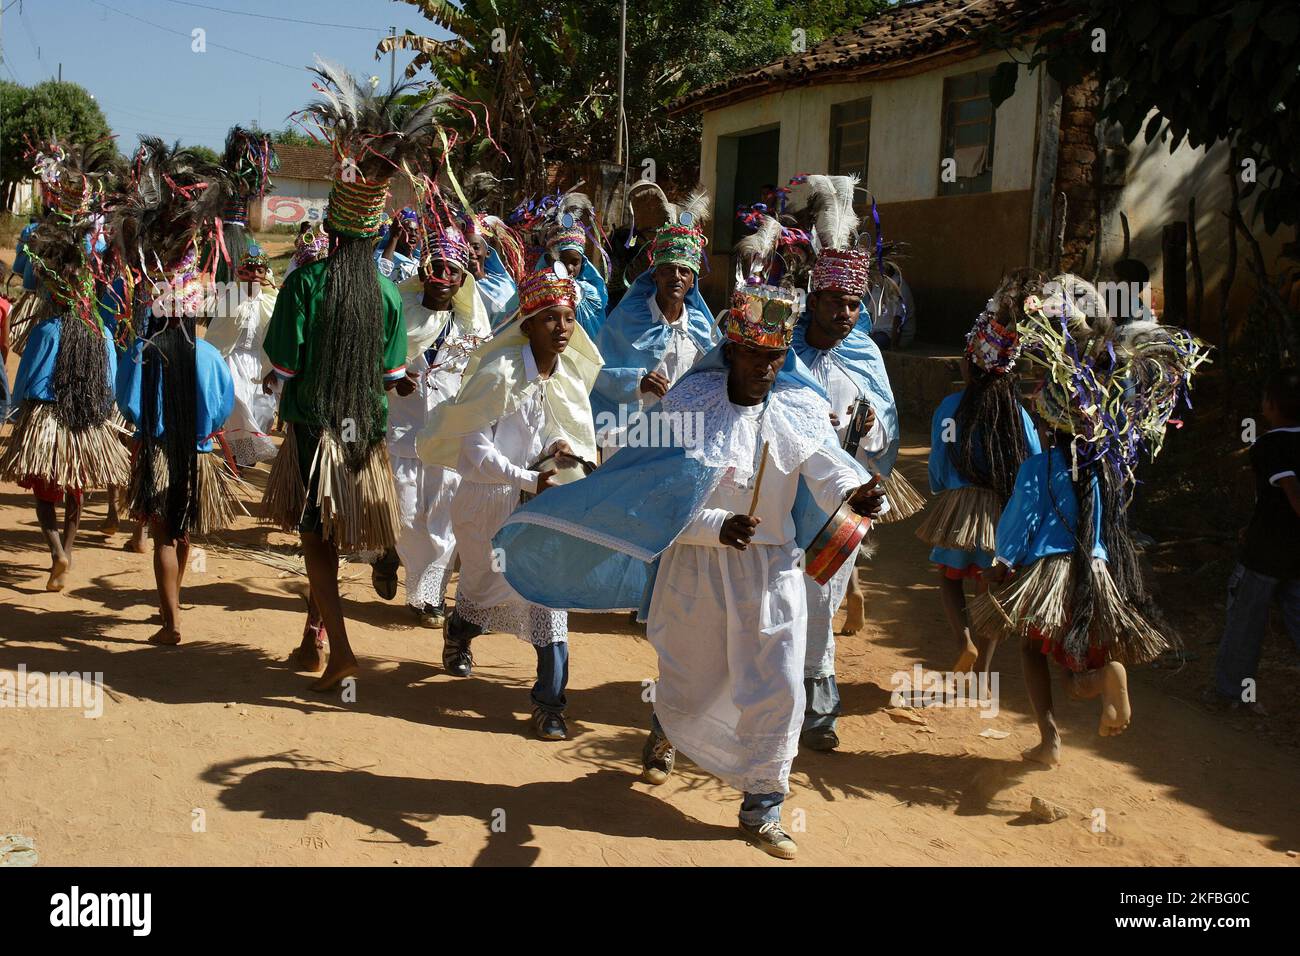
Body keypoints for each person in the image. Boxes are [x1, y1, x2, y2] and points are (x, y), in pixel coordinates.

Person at [494, 283, 885, 859]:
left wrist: (857, 492)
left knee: (777, 682)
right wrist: (714, 524)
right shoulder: (689, 406)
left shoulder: (799, 408)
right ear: (731, 351)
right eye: (753, 355)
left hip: (773, 571)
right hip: (697, 567)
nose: (764, 368)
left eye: (775, 358)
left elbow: (826, 465)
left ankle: (763, 804)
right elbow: (657, 497)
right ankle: (669, 728)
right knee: (693, 679)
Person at [973, 275, 1210, 765]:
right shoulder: (1105, 472)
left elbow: (1021, 519)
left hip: (1046, 572)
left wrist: (1001, 564)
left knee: (1034, 652)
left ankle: (1050, 739)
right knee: (1077, 653)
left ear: (1047, 421)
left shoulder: (1040, 466)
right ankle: (1102, 678)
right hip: (1097, 571)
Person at [260, 61, 435, 690]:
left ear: (332, 228)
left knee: (316, 546)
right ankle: (312, 645)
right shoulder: (387, 293)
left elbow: (284, 363)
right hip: (365, 438)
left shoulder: (305, 282)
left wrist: (282, 381)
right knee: (333, 541)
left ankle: (341, 652)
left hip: (312, 433)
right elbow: (393, 375)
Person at [417, 265, 601, 740]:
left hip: (540, 508)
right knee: (484, 588)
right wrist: (528, 478)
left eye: (568, 318)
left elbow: (562, 429)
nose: (561, 328)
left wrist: (561, 451)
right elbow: (475, 454)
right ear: (528, 324)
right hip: (488, 505)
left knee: (547, 598)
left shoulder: (565, 378)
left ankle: (549, 704)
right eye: (550, 319)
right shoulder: (496, 375)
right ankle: (460, 632)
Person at [111, 139, 240, 644]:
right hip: (198, 452)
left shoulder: (142, 351)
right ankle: (176, 600)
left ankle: (172, 621)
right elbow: (223, 406)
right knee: (183, 529)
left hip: (158, 450)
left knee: (163, 532)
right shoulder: (209, 357)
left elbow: (126, 401)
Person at [0, 142, 129, 592]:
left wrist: (19, 408)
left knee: (44, 486)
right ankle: (69, 551)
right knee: (77, 480)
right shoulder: (104, 244)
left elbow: (29, 283)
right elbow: (114, 294)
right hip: (89, 377)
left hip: (50, 379)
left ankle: (55, 550)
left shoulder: (38, 237)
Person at [915, 270, 1044, 674]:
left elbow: (940, 456)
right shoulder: (1017, 414)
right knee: (990, 592)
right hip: (1001, 512)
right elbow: (1033, 463)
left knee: (950, 577)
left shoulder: (950, 408)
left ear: (968, 365)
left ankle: (963, 640)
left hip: (960, 506)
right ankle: (983, 672)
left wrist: (942, 488)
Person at [372, 226, 491, 624]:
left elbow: (483, 379)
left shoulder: (472, 326)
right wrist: (391, 377)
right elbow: (369, 361)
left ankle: (429, 595)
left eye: (453, 271)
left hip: (449, 441)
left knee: (443, 518)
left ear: (463, 278)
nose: (444, 277)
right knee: (407, 517)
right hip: (403, 435)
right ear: (422, 273)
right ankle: (394, 553)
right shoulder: (397, 314)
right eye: (436, 267)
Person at [1211, 367, 1300, 713]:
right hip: (1295, 558)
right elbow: (1272, 501)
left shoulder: (1268, 445)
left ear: (1272, 405)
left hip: (1264, 556)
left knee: (1246, 624)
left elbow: (1291, 494)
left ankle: (1233, 693)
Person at [591, 219, 717, 447]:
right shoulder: (627, 319)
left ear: (692, 282)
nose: (676, 276)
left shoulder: (701, 327)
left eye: (684, 271)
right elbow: (597, 371)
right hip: (630, 432)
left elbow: (713, 378)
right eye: (668, 269)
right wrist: (638, 382)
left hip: (681, 435)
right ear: (655, 275)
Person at [203, 246, 279, 468]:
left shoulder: (273, 302)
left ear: (266, 274)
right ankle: (235, 457)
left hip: (261, 364)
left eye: (260, 270)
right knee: (238, 405)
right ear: (241, 273)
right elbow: (217, 334)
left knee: (263, 411)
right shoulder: (230, 299)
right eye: (250, 270)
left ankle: (247, 455)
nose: (255, 274)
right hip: (233, 361)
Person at [536, 216, 608, 340]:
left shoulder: (591, 294)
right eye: (562, 261)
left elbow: (598, 337)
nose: (569, 268)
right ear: (549, 260)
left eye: (575, 262)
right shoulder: (537, 292)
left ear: (583, 262)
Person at [375, 207, 422, 285]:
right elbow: (382, 275)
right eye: (408, 230)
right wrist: (394, 237)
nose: (413, 234)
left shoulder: (418, 264)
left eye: (416, 231)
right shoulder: (381, 256)